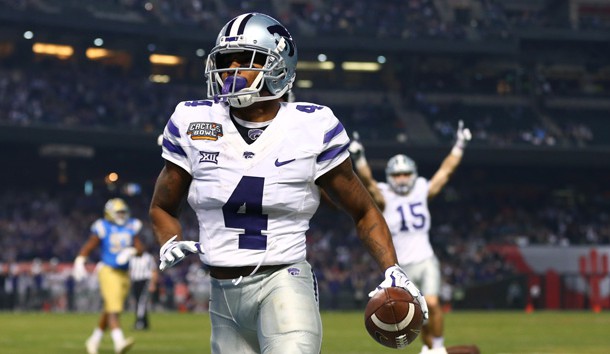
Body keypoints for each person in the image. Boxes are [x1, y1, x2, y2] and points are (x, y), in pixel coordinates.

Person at [149, 12, 428, 354]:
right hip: (221, 296)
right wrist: (168, 239)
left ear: (279, 67)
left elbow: (362, 209)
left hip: (283, 281)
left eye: (246, 61)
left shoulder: (312, 126)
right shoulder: (192, 121)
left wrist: (392, 268)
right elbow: (162, 206)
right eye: (225, 60)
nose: (231, 70)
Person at [348, 121, 472, 354]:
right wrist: (360, 158)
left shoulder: (422, 189)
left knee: (433, 304)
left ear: (413, 174)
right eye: (397, 174)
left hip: (425, 258)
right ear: (390, 176)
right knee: (419, 313)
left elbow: (446, 172)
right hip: (401, 266)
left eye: (406, 173)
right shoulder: (384, 195)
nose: (402, 178)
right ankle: (428, 348)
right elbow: (368, 183)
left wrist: (460, 145)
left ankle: (437, 348)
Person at [73, 198, 144, 354]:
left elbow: (140, 249)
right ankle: (119, 342)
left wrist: (130, 251)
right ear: (110, 213)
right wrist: (80, 259)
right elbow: (90, 244)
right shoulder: (103, 227)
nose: (121, 215)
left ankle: (93, 341)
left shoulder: (131, 225)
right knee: (113, 308)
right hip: (108, 271)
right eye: (118, 212)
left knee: (111, 308)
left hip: (125, 273)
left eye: (123, 212)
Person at [128, 250, 158, 330]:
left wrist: (153, 283)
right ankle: (145, 323)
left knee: (142, 302)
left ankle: (139, 322)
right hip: (135, 281)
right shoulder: (132, 258)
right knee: (137, 303)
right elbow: (129, 271)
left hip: (145, 281)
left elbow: (154, 270)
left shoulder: (148, 257)